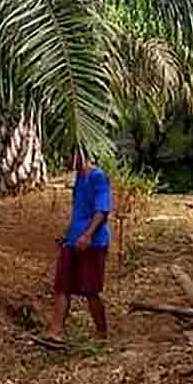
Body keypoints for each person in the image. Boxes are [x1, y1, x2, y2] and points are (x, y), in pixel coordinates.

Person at [38, 148, 112, 348]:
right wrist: (69, 235)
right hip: (73, 241)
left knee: (91, 290)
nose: (64, 161)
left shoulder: (98, 177)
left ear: (79, 154)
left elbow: (102, 211)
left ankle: (102, 334)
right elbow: (80, 212)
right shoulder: (79, 178)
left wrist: (87, 236)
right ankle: (56, 331)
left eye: (66, 156)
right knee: (62, 286)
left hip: (93, 243)